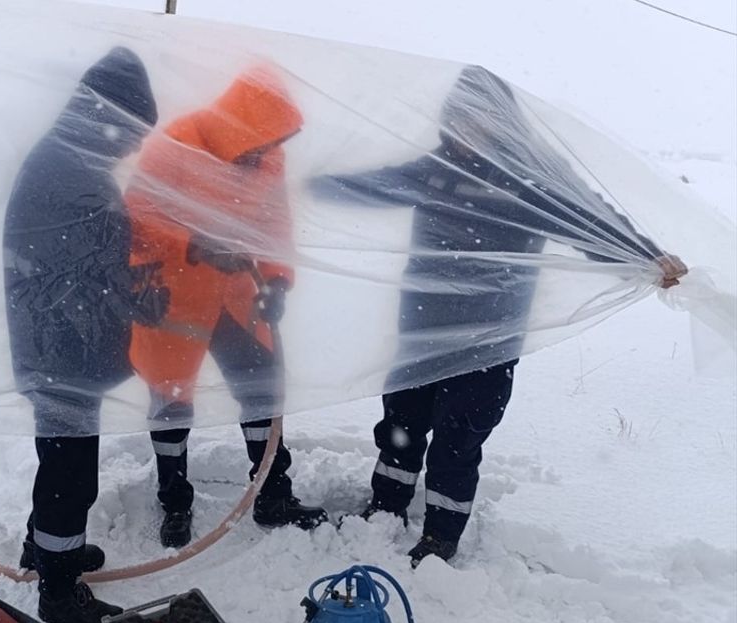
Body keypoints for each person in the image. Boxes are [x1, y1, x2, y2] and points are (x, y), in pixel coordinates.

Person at [309, 66, 688, 567]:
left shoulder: (529, 179)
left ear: (502, 122)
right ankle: (385, 509)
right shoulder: (437, 168)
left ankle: (441, 536)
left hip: (489, 338)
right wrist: (309, 186)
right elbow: (376, 186)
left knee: (457, 441)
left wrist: (645, 255)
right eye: (461, 118)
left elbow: (589, 220)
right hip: (422, 328)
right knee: (401, 426)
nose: (470, 130)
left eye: (481, 119)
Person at [125, 65, 328, 549]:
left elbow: (274, 225)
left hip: (238, 297)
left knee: (263, 392)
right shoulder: (175, 145)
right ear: (241, 124)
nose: (265, 152)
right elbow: (137, 218)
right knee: (171, 400)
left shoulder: (269, 158)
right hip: (176, 296)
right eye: (260, 141)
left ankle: (272, 494)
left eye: (272, 143)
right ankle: (174, 501)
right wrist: (193, 245)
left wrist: (277, 280)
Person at [3, 47, 165, 623]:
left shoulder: (68, 159)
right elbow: (88, 267)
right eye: (132, 132)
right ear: (111, 116)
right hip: (61, 350)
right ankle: (59, 587)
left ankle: (41, 548)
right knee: (71, 475)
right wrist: (139, 291)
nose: (133, 147)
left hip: (57, 345)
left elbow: (92, 260)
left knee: (59, 460)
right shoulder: (69, 172)